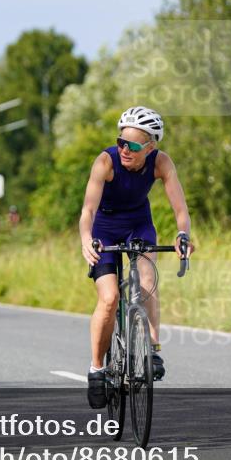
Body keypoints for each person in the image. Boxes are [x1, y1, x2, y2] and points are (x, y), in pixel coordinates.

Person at [78, 106, 194, 408]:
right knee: (109, 298)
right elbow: (87, 211)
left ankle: (153, 347)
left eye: (132, 145)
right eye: (121, 142)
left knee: (146, 279)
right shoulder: (106, 161)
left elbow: (181, 211)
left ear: (150, 146)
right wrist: (85, 239)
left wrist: (183, 235)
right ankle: (97, 369)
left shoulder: (161, 163)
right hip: (103, 228)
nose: (124, 149)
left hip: (138, 224)